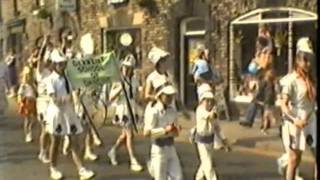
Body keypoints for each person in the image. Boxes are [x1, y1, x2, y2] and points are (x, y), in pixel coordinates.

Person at [45, 49, 94, 180]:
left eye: (64, 63)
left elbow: (74, 92)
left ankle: (81, 169)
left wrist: (78, 98)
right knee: (55, 142)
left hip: (68, 113)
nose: (63, 66)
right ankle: (53, 168)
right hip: (56, 114)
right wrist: (65, 99)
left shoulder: (68, 77)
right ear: (54, 65)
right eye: (60, 64)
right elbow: (54, 99)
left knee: (74, 141)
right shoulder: (50, 79)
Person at [279, 37, 316, 180]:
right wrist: (295, 120)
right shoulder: (290, 80)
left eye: (309, 59)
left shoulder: (311, 79)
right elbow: (283, 105)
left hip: (311, 120)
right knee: (294, 158)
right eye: (304, 59)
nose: (307, 63)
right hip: (295, 122)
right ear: (297, 59)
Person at [107, 54, 143, 172]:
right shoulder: (118, 81)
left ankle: (113, 151)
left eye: (129, 67)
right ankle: (133, 160)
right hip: (123, 109)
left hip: (132, 108)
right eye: (125, 67)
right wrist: (120, 89)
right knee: (130, 135)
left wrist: (141, 103)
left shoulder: (134, 80)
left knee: (125, 135)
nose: (126, 70)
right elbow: (111, 97)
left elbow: (136, 97)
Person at [143, 83, 183, 180]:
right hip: (158, 149)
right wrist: (164, 130)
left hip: (171, 148)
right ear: (160, 95)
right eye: (167, 95)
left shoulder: (172, 110)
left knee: (178, 177)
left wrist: (176, 130)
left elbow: (175, 132)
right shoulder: (153, 110)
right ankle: (152, 165)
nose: (170, 98)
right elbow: (146, 132)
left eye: (171, 96)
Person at [194, 84, 231, 180]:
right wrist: (215, 112)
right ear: (201, 101)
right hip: (201, 141)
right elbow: (210, 116)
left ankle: (198, 177)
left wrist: (224, 140)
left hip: (210, 140)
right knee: (208, 164)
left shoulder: (212, 110)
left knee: (206, 161)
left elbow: (217, 127)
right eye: (207, 100)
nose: (209, 103)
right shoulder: (200, 110)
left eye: (211, 101)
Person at [36, 37, 54, 164]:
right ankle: (42, 152)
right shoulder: (40, 71)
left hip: (52, 102)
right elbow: (39, 59)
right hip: (43, 102)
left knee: (51, 130)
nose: (48, 61)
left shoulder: (52, 72)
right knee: (45, 129)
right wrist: (43, 45)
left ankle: (46, 150)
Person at [17, 66, 37, 143]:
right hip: (27, 102)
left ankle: (30, 129)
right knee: (27, 119)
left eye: (30, 75)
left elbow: (35, 92)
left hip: (33, 101)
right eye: (27, 76)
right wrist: (20, 101)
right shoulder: (24, 85)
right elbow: (20, 94)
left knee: (35, 119)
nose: (29, 77)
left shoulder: (33, 84)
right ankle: (27, 134)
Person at [258, 69, 277, 135]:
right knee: (267, 114)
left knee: (266, 115)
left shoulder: (271, 82)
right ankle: (264, 128)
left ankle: (264, 128)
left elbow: (273, 91)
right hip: (267, 100)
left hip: (270, 100)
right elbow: (261, 90)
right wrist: (259, 99)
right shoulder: (265, 81)